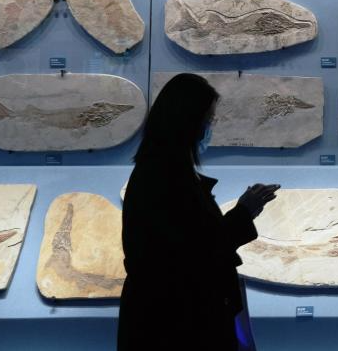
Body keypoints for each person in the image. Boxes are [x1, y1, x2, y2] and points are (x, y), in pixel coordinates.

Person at [118, 73, 279, 351]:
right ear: (188, 122)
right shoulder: (162, 178)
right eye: (208, 119)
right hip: (175, 325)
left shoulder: (166, 171)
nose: (210, 127)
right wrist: (243, 213)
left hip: (178, 317)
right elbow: (194, 254)